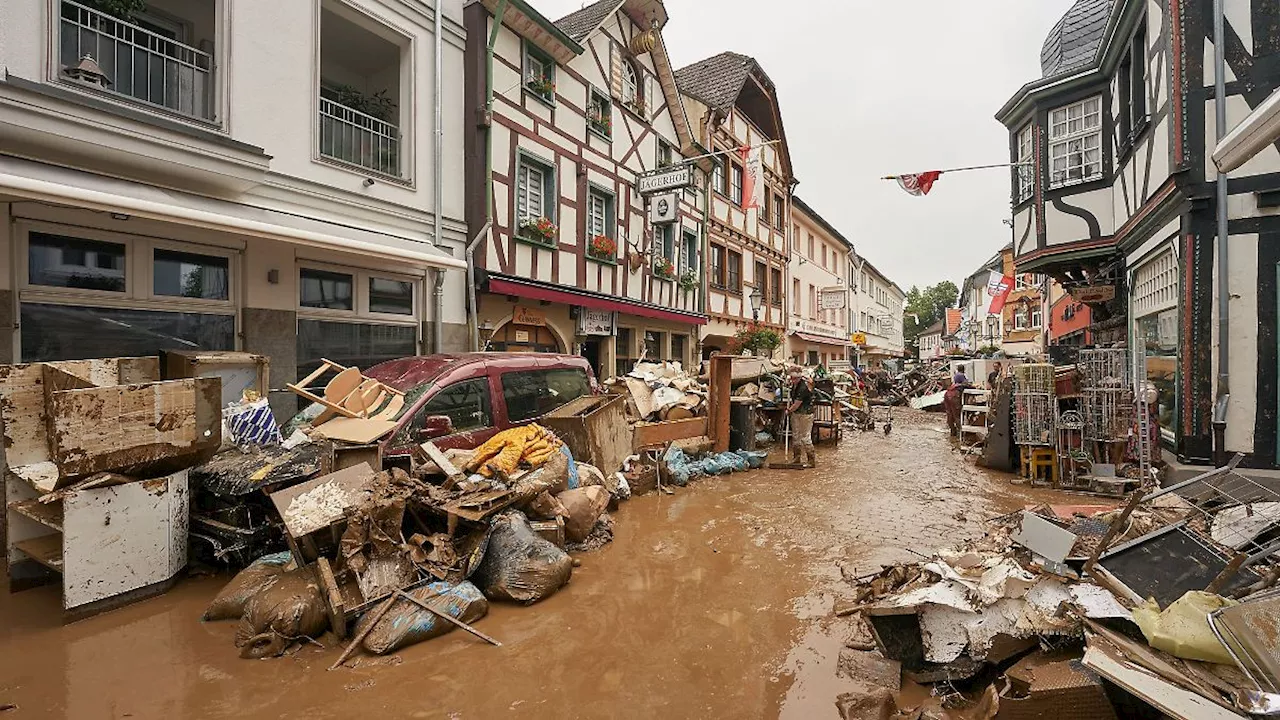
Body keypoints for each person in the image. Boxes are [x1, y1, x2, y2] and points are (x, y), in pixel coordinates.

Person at [786, 368, 816, 468]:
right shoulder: (794, 386)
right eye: (791, 378)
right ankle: (796, 458)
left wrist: (789, 410)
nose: (792, 380)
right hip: (797, 413)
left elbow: (797, 404)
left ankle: (811, 461)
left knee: (805, 437)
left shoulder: (803, 387)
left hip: (805, 414)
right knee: (796, 436)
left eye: (794, 378)